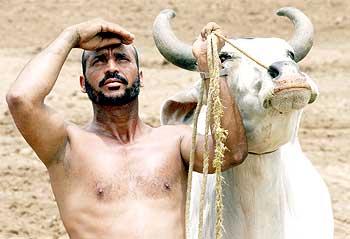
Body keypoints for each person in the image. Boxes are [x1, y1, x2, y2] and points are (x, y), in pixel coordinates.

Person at [6, 19, 247, 239]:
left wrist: (213, 69)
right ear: (83, 83)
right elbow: (21, 99)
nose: (111, 67)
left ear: (140, 77)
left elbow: (231, 152)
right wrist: (71, 35)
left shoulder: (174, 140)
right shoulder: (67, 146)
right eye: (99, 60)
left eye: (121, 59)